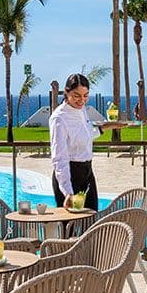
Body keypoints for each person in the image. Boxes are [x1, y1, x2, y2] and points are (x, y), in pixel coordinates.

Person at [49, 73, 126, 210]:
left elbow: (86, 134)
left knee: (91, 220)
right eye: (76, 95)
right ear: (66, 92)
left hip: (87, 172)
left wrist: (106, 127)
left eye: (85, 95)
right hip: (70, 175)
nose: (81, 100)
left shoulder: (81, 110)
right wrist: (67, 191)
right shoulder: (59, 118)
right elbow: (59, 158)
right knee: (69, 226)